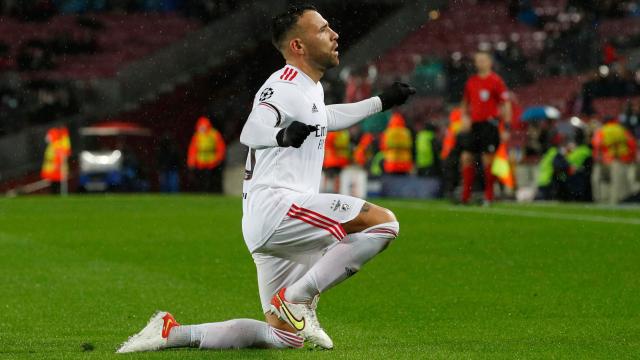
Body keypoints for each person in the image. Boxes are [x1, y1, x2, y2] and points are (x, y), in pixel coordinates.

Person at [116, 4, 415, 353]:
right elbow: (252, 128)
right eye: (322, 29)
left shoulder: (310, 89)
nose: (334, 34)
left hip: (268, 222)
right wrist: (280, 136)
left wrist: (382, 101)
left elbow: (326, 117)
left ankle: (173, 333)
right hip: (280, 208)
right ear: (298, 46)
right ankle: (298, 297)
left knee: (284, 336)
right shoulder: (283, 84)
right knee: (383, 224)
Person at [459, 51, 512, 204]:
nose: (480, 63)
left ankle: (489, 196)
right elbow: (465, 103)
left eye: (483, 60)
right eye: (478, 60)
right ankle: (465, 197)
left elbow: (505, 103)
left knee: (487, 160)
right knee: (466, 157)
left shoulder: (496, 81)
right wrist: (464, 117)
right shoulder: (471, 82)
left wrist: (506, 127)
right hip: (475, 125)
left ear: (490, 62)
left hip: (490, 125)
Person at [187, 116, 226, 192]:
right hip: (200, 163)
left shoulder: (214, 134)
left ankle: (208, 193)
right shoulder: (198, 135)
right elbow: (192, 150)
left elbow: (221, 148)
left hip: (212, 163)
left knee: (210, 182)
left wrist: (219, 159)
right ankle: (202, 193)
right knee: (201, 182)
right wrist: (191, 163)